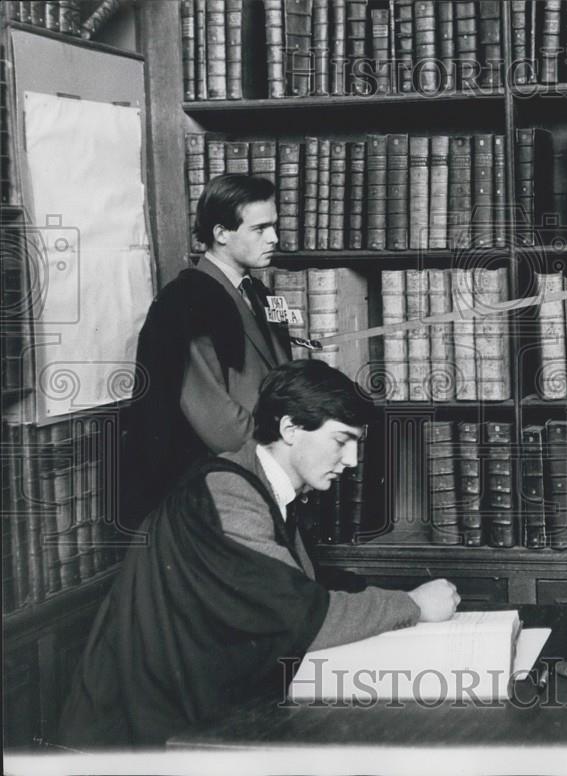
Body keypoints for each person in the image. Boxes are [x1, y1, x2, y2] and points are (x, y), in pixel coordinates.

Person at [57, 360, 460, 748]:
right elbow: (302, 616)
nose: (352, 462)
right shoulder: (227, 492)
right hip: (136, 739)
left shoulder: (262, 486)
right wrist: (412, 605)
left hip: (187, 713)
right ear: (289, 428)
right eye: (342, 441)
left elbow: (301, 585)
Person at [123, 174, 290, 525]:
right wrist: (282, 452)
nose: (274, 238)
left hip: (259, 465)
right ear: (220, 233)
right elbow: (218, 422)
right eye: (260, 229)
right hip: (215, 484)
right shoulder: (185, 303)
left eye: (274, 226)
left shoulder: (258, 295)